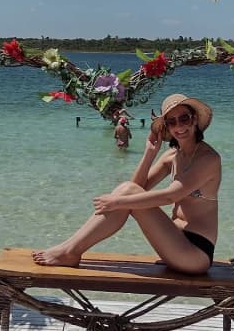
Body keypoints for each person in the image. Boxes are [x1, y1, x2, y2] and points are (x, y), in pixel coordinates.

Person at [33, 93, 221, 275]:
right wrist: (149, 153)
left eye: (184, 119)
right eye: (172, 122)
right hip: (173, 242)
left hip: (195, 254)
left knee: (126, 193)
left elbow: (169, 196)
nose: (179, 126)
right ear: (167, 128)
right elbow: (138, 188)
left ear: (194, 119)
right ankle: (69, 249)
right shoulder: (172, 156)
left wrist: (116, 203)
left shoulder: (208, 159)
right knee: (127, 189)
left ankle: (69, 251)